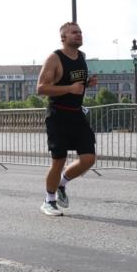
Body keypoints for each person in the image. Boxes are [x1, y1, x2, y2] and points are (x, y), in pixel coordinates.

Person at [36, 22, 98, 216]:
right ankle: (49, 200)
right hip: (58, 115)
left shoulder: (81, 57)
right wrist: (70, 89)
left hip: (77, 113)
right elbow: (41, 88)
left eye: (80, 32)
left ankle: (62, 183)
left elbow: (74, 81)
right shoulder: (54, 58)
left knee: (88, 158)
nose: (79, 35)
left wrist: (88, 83)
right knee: (59, 160)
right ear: (63, 38)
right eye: (74, 33)